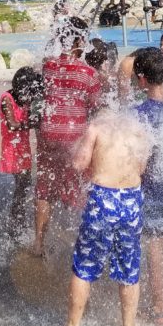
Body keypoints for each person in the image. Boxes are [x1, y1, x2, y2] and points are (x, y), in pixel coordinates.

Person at [60, 109, 152, 326]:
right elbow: (141, 169)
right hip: (131, 200)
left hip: (103, 200)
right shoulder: (138, 130)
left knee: (84, 263)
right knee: (130, 266)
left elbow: (79, 164)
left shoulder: (96, 129)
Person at [32, 17, 102, 257]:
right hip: (74, 138)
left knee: (45, 189)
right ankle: (80, 243)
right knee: (80, 189)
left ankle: (39, 244)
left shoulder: (49, 66)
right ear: (80, 40)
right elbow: (96, 107)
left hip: (48, 133)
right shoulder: (88, 73)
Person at [130, 47, 163, 326]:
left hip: (154, 189)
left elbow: (139, 163)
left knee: (155, 248)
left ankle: (160, 309)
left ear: (143, 80)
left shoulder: (139, 115)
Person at [0, 67, 43, 241]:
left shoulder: (23, 99)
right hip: (12, 148)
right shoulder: (7, 99)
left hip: (23, 147)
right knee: (21, 187)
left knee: (24, 186)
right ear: (21, 87)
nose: (29, 96)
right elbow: (12, 125)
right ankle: (15, 225)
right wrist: (34, 124)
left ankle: (18, 220)